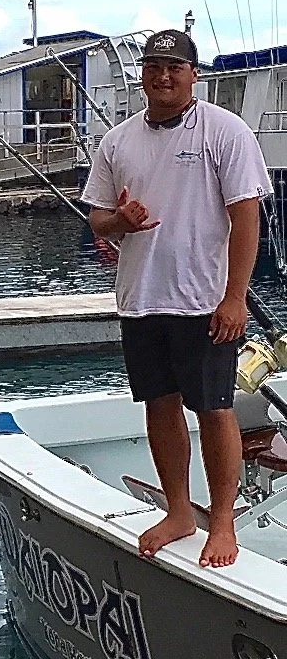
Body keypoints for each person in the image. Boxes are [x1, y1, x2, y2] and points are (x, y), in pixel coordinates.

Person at [82, 28, 271, 569]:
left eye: (175, 67)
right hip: (141, 299)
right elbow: (97, 215)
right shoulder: (118, 140)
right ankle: (178, 511)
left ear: (195, 75)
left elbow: (245, 218)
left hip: (205, 302)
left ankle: (223, 520)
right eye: (154, 66)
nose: (163, 75)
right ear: (142, 74)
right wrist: (120, 221)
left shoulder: (225, 131)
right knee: (158, 406)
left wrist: (235, 298)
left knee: (215, 409)